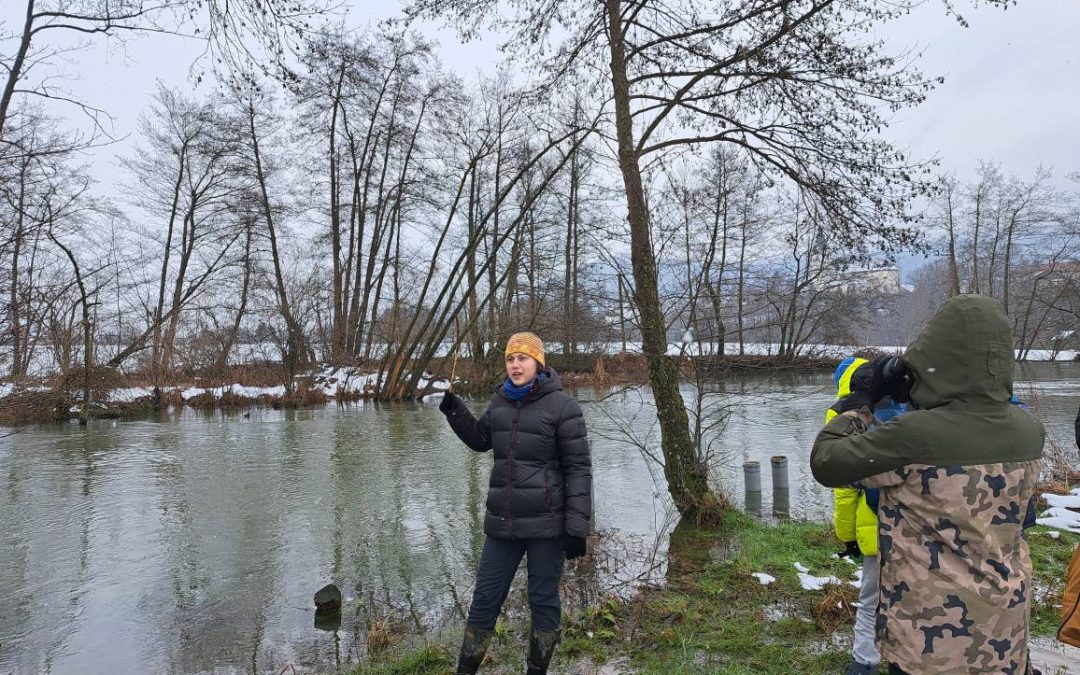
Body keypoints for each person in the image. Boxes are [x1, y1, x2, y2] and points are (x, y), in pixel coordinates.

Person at [811, 294, 1045, 674]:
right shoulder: (1028, 430)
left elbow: (827, 461)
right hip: (1005, 624)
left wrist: (862, 401)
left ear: (931, 357)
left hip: (930, 635)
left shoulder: (913, 436)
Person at [438, 332, 592, 675]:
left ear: (538, 363)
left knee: (543, 602)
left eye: (522, 358)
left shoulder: (564, 408)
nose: (516, 365)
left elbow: (579, 469)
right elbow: (480, 440)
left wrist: (577, 526)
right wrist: (455, 409)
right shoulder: (500, 403)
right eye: (510, 359)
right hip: (503, 524)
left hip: (546, 526)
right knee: (484, 601)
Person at [827, 356, 907, 675]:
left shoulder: (845, 414)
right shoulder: (906, 404)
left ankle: (864, 662)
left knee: (871, 596)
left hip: (873, 524)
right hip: (917, 523)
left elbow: (843, 489)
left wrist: (847, 536)